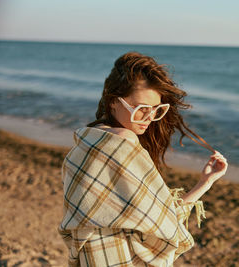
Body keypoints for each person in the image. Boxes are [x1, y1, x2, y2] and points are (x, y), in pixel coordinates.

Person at [58, 52, 228, 266]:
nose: (149, 118)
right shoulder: (125, 142)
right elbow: (165, 223)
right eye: (141, 109)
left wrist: (205, 182)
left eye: (157, 110)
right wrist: (206, 183)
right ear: (113, 102)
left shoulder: (85, 143)